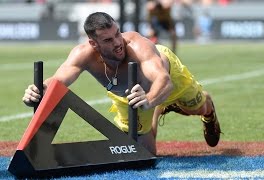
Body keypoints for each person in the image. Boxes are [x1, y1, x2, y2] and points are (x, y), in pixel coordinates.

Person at [22, 12, 221, 155]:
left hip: (167, 77)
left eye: (117, 33)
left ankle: (208, 111)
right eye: (108, 40)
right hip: (130, 94)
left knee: (198, 108)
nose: (117, 42)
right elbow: (57, 81)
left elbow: (164, 81)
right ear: (93, 44)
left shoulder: (137, 45)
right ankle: (160, 109)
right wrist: (39, 90)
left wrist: (150, 100)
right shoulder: (82, 55)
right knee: (143, 154)